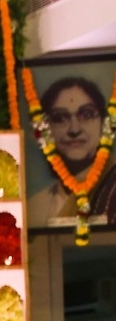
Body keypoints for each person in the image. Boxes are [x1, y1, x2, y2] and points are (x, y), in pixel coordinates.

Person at [27, 75, 116, 228]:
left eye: (87, 114)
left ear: (104, 125)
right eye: (60, 118)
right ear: (43, 131)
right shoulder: (34, 207)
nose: (74, 129)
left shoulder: (112, 184)